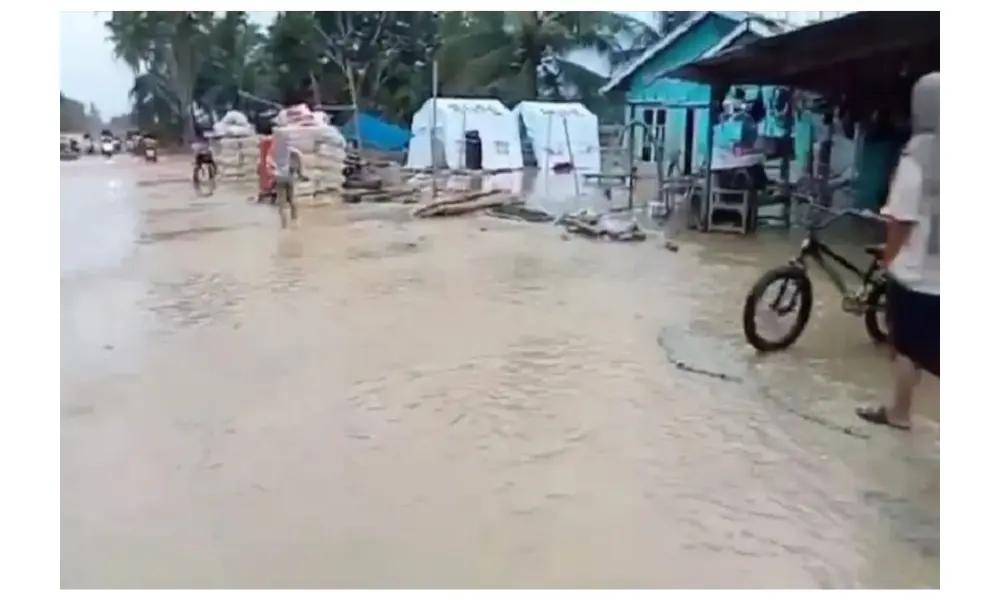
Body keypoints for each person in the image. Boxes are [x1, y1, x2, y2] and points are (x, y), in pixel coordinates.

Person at [856, 72, 940, 431]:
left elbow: (901, 221)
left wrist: (887, 259)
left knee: (905, 347)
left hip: (916, 276)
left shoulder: (916, 157)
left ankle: (900, 413)